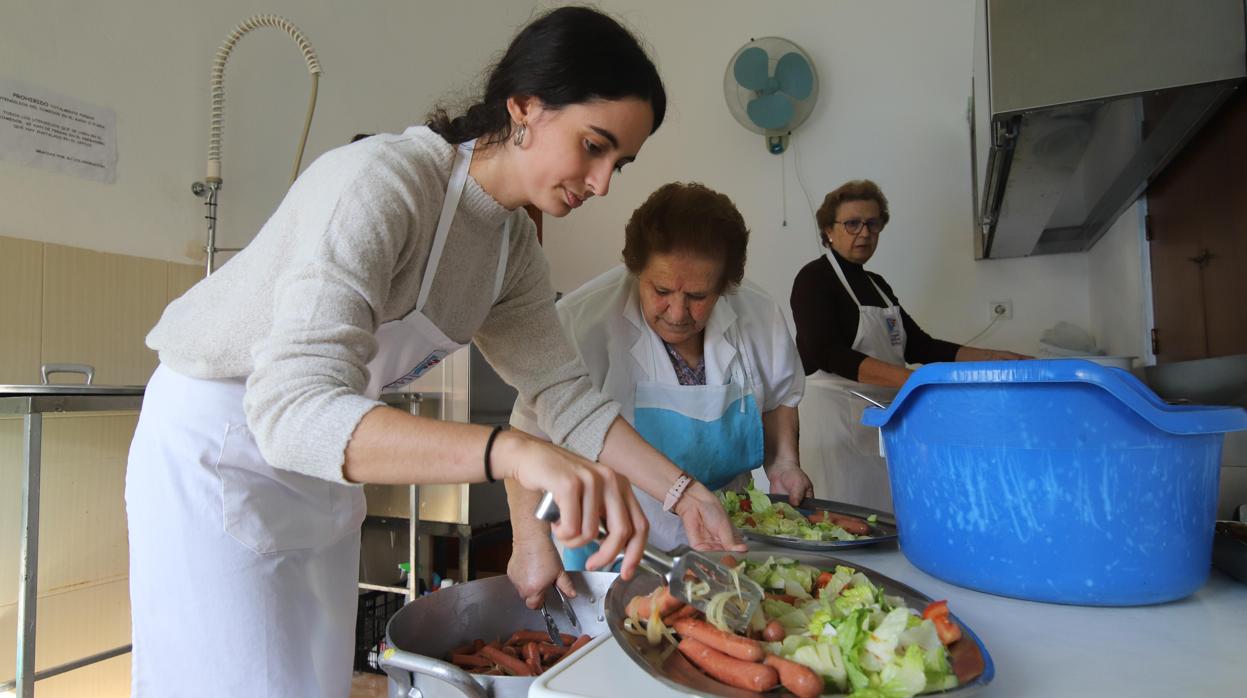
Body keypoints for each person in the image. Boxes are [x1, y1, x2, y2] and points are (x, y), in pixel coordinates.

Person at [125, 8, 722, 696]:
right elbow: (292, 409)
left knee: (312, 683)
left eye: (619, 162)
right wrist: (509, 450)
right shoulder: (382, 183)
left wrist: (684, 493)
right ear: (525, 105)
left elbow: (565, 395)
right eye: (593, 146)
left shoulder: (510, 249)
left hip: (324, 463)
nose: (603, 183)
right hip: (222, 449)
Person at [508, 182, 812, 598]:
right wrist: (529, 541)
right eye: (661, 290)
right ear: (636, 270)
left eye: (699, 296)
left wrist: (785, 463)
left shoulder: (759, 315)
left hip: (723, 548)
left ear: (726, 285)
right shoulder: (581, 322)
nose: (677, 312)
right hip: (611, 552)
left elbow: (780, 398)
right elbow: (525, 439)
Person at [790, 179, 1027, 511]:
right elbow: (826, 353)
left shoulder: (878, 285)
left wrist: (992, 358)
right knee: (842, 515)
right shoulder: (813, 279)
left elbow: (920, 346)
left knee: (887, 512)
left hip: (884, 421)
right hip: (835, 425)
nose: (864, 232)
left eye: (873, 224)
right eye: (852, 223)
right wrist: (912, 381)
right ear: (829, 230)